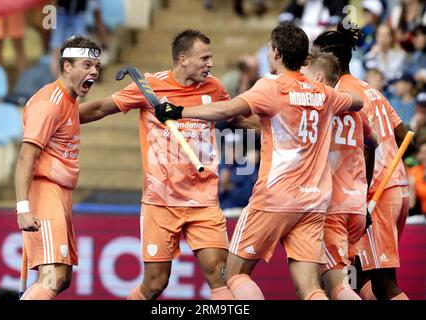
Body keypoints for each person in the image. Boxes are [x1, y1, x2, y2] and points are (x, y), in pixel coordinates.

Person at [155, 22, 364, 300]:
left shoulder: (270, 87)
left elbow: (229, 108)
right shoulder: (323, 93)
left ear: (276, 53)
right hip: (313, 201)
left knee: (233, 274)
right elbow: (357, 101)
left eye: (268, 49)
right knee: (311, 288)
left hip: (275, 197)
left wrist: (179, 111)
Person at [78, 29, 234, 300]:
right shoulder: (149, 86)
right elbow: (102, 107)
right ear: (183, 59)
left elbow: (238, 117)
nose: (210, 64)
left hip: (204, 201)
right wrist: (59, 115)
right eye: (205, 58)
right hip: (160, 201)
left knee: (219, 274)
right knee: (155, 284)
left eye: (211, 58)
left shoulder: (215, 88)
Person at [314, 23, 412, 300]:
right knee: (362, 274)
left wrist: (364, 196)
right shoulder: (370, 89)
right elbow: (404, 135)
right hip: (397, 188)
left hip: (375, 195)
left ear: (327, 60)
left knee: (385, 284)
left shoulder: (344, 96)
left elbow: (369, 147)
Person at [15, 36, 101, 300]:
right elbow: (24, 158)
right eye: (86, 65)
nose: (94, 72)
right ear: (66, 66)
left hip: (60, 194)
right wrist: (23, 209)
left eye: (96, 66)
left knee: (61, 279)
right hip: (45, 191)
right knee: (53, 276)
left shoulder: (69, 99)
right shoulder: (50, 104)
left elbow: (96, 110)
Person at [301, 47, 378, 300]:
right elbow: (373, 142)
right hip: (356, 205)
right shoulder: (354, 109)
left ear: (320, 78)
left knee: (337, 286)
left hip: (331, 205)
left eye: (306, 74)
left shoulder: (318, 108)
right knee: (337, 280)